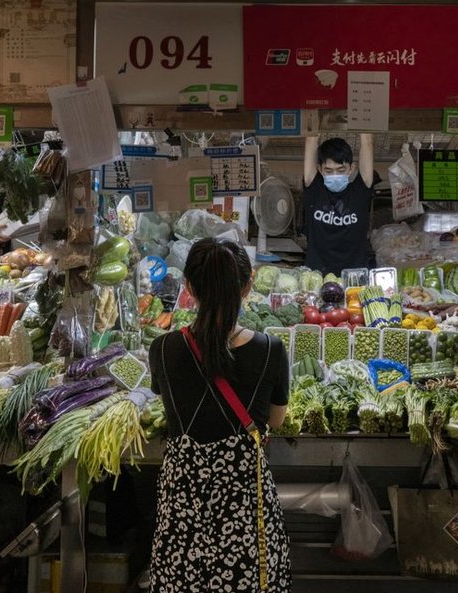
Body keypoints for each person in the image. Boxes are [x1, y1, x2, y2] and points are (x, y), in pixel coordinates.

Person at [147, 238, 291, 593]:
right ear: (247, 286)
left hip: (182, 511)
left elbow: (167, 402)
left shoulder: (162, 348)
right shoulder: (270, 349)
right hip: (244, 515)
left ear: (190, 287)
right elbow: (276, 421)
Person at [303, 133, 375, 275]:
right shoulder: (314, 189)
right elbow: (311, 138)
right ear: (319, 169)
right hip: (317, 277)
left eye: (341, 170)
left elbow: (367, 142)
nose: (335, 175)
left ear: (351, 168)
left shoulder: (361, 191)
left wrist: (361, 114)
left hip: (355, 278)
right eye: (328, 171)